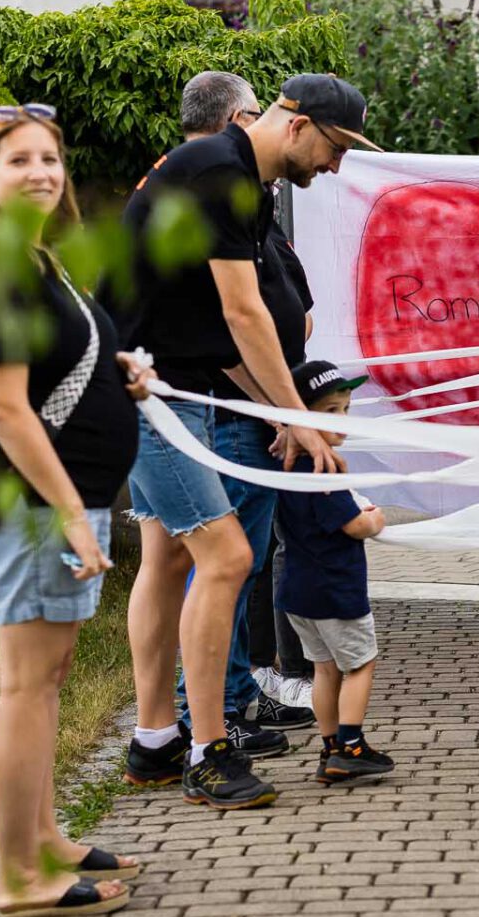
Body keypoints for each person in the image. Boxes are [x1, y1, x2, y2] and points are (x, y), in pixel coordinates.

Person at [116, 74, 368, 811]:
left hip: (183, 384)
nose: (335, 166)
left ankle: (155, 742)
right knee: (226, 556)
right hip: (147, 394)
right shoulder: (222, 175)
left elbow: (226, 339)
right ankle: (209, 749)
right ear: (295, 125)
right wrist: (298, 413)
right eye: (335, 147)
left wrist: (284, 417)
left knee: (166, 560)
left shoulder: (240, 184)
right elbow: (247, 314)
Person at [0, 107, 148, 917]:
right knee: (26, 685)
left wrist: (117, 371)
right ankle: (19, 877)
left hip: (59, 501)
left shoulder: (30, 257)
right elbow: (3, 408)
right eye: (20, 159)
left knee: (46, 678)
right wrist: (66, 510)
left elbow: (53, 366)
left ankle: (45, 839)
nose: (41, 172)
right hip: (35, 507)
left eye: (51, 158)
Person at [171, 71, 316, 759]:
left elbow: (281, 301)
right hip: (229, 412)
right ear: (238, 118)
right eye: (254, 115)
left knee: (242, 563)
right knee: (222, 564)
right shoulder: (211, 192)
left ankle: (228, 698)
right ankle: (206, 719)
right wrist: (279, 411)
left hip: (254, 411)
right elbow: (226, 324)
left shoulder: (247, 204)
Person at [274, 360, 393, 784]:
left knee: (324, 670)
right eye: (329, 412)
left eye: (345, 408)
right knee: (361, 664)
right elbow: (356, 525)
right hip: (336, 592)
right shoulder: (323, 470)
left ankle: (329, 749)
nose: (342, 420)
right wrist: (375, 519)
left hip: (297, 594)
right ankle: (352, 745)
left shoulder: (285, 465)